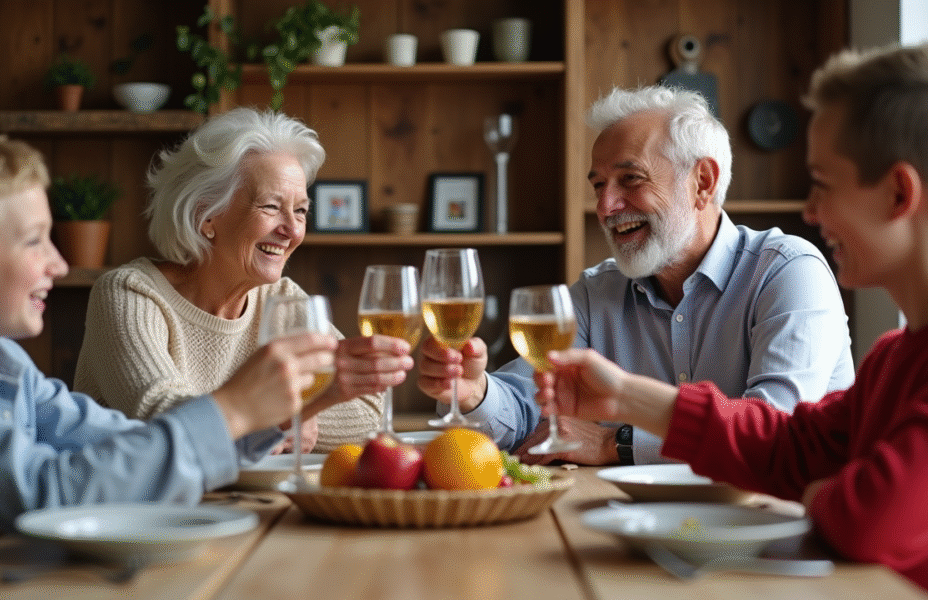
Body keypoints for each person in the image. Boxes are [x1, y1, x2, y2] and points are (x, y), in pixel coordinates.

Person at [535, 42, 928, 590]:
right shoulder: (893, 357)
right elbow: (790, 448)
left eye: (822, 183)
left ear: (898, 194)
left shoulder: (793, 273)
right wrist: (624, 396)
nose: (810, 211)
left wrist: (827, 492)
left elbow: (865, 521)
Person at [0, 128, 407, 569]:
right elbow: (48, 490)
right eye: (35, 242)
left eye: (300, 210)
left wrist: (270, 417)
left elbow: (116, 438)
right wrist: (237, 409)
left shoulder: (5, 364)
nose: (60, 263)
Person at [417, 86, 854, 465]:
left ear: (702, 182)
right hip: (637, 521)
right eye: (598, 185)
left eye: (630, 179)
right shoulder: (595, 294)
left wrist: (616, 443)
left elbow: (774, 432)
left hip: (774, 525)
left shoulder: (788, 272)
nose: (605, 207)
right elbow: (524, 409)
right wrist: (474, 393)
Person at [73, 108, 401, 454]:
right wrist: (280, 415)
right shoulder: (130, 294)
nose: (292, 230)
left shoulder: (282, 299)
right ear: (206, 216)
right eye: (271, 206)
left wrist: (293, 413)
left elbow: (369, 412)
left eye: (301, 210)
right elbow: (159, 413)